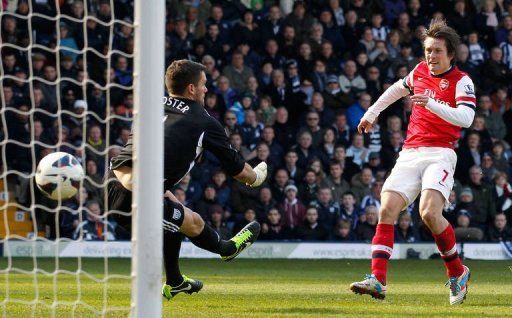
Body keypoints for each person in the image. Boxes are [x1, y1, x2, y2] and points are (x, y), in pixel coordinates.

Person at [107, 60, 268, 300]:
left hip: (114, 182)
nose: (206, 89)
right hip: (136, 196)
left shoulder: (151, 105)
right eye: (203, 84)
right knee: (190, 223)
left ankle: (175, 281)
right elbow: (239, 171)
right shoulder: (204, 121)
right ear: (191, 89)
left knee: (182, 217)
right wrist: (256, 178)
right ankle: (227, 249)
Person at [350, 19, 473, 305]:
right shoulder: (419, 71)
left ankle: (457, 272)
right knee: (387, 207)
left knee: (429, 213)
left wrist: (431, 104)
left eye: (437, 51)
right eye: (428, 50)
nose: (431, 56)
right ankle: (378, 280)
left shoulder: (462, 81)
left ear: (450, 54)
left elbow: (466, 118)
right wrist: (372, 112)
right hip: (410, 152)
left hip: (441, 152)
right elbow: (397, 89)